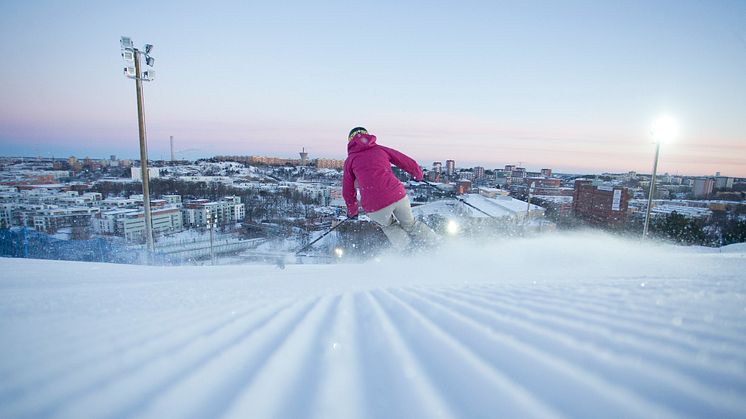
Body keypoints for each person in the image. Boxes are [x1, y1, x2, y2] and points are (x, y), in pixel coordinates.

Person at [343, 126, 439, 250]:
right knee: (411, 224)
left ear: (350, 141)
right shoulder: (380, 149)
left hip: (374, 205)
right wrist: (417, 174)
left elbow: (347, 190)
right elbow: (404, 160)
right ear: (368, 135)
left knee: (390, 227)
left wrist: (353, 211)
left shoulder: (350, 160)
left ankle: (410, 252)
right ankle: (436, 243)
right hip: (396, 194)